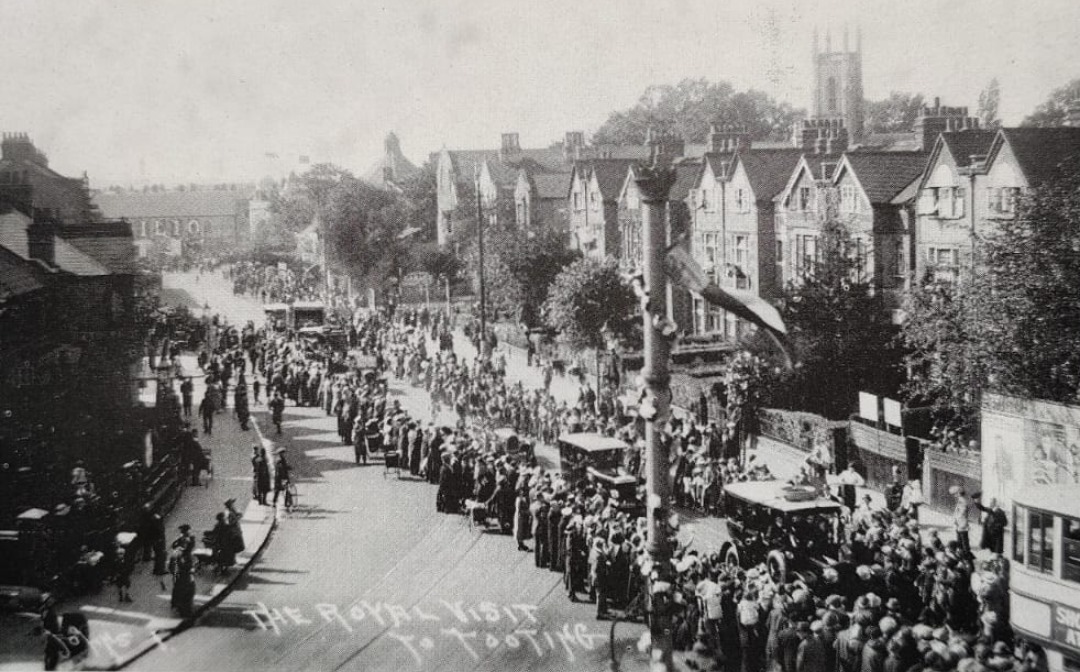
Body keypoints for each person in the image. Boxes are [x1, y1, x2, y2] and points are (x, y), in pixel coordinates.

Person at [136, 503, 167, 575]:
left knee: (148, 547)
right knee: (160, 553)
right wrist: (159, 537)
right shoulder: (156, 518)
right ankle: (159, 570)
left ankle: (147, 557)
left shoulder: (145, 516)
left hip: (148, 536)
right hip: (157, 538)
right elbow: (159, 529)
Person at [951, 485, 973, 557]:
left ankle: (966, 555)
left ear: (958, 493)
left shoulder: (962, 501)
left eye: (955, 494)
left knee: (963, 541)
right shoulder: (961, 501)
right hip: (960, 523)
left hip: (962, 523)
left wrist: (956, 519)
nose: (954, 496)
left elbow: (962, 512)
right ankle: (962, 553)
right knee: (961, 540)